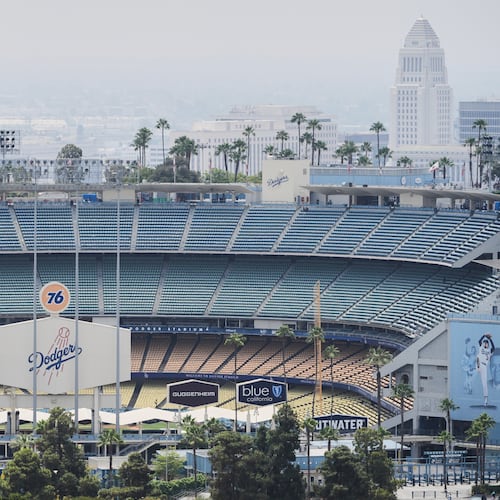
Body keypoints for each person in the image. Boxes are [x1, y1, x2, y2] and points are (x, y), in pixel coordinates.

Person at [477, 333, 495, 405]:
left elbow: (493, 347)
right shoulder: (481, 348)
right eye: (484, 343)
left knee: (484, 383)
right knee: (477, 357)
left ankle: (486, 399)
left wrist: (490, 339)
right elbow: (479, 341)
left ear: (488, 344)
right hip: (478, 364)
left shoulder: (489, 351)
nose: (485, 344)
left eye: (486, 343)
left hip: (484, 366)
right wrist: (484, 335)